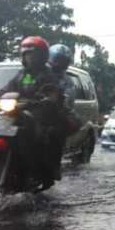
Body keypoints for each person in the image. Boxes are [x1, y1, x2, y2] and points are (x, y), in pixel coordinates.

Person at [0, 36, 63, 188]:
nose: (29, 58)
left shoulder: (48, 76)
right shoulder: (21, 75)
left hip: (38, 113)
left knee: (39, 137)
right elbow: (6, 90)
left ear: (42, 57)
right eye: (26, 54)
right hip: (18, 112)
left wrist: (48, 99)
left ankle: (41, 170)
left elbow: (54, 92)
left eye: (32, 55)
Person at [48, 44, 76, 181]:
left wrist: (61, 107)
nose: (57, 63)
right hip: (32, 109)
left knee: (56, 133)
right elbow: (23, 84)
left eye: (61, 61)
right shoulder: (39, 73)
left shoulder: (67, 81)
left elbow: (69, 98)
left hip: (53, 113)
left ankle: (54, 166)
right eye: (55, 59)